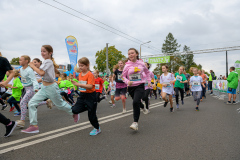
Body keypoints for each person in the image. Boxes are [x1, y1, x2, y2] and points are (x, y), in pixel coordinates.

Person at [22, 45, 77, 134]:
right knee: (32, 103)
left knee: (60, 105)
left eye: (44, 51)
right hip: (44, 87)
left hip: (51, 88)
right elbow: (44, 76)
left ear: (50, 53)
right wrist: (36, 67)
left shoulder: (48, 61)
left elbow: (41, 73)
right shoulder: (45, 62)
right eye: (41, 51)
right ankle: (33, 126)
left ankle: (74, 112)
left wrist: (32, 66)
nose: (42, 53)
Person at [122, 48, 151, 131]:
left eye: (132, 53)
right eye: (129, 54)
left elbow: (147, 72)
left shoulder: (141, 63)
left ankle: (135, 123)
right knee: (137, 101)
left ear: (136, 54)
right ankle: (143, 106)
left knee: (135, 102)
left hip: (140, 85)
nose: (131, 55)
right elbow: (123, 77)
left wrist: (149, 81)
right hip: (131, 87)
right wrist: (127, 81)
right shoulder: (127, 65)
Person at [71, 57, 101, 136]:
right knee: (74, 109)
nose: (80, 67)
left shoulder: (90, 74)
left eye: (82, 66)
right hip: (82, 95)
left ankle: (97, 128)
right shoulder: (80, 74)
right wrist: (75, 84)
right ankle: (88, 107)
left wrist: (78, 84)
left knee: (91, 115)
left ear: (87, 65)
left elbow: (90, 86)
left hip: (91, 95)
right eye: (79, 66)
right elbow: (81, 85)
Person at [0, 55, 17, 137]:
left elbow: (12, 72)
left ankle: (9, 123)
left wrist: (6, 82)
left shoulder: (2, 60)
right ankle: (9, 123)